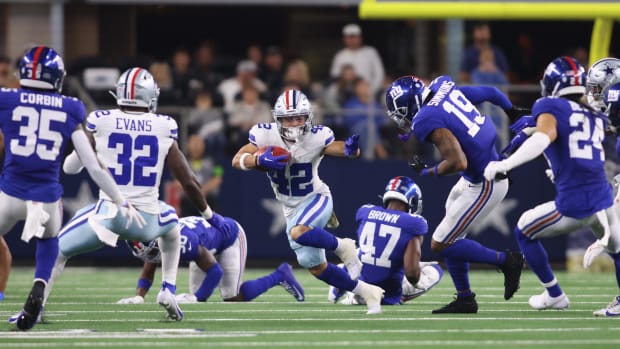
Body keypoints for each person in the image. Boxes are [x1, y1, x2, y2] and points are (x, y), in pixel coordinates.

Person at [34, 67, 217, 323]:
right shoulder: (165, 125)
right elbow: (188, 181)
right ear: (148, 96)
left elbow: (70, 168)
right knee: (172, 227)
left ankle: (37, 305)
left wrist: (89, 150)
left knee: (57, 251)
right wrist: (208, 214)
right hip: (148, 221)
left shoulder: (101, 119)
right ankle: (168, 289)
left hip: (108, 216)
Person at [0, 46, 143, 330]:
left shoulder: (6, 98)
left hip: (9, 194)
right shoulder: (70, 107)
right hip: (46, 200)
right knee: (49, 241)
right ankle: (40, 284)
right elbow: (92, 165)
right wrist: (120, 199)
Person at [483, 56, 620, 312]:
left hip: (577, 203)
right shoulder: (595, 116)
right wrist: (559, 171)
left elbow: (544, 139)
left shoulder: (550, 105)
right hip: (602, 197)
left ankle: (554, 294)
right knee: (618, 248)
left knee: (524, 230)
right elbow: (579, 153)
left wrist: (505, 164)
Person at [232, 89, 386, 314]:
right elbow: (237, 160)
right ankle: (367, 291)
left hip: (317, 198)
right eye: (288, 118)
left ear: (308, 117)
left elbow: (342, 148)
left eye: (299, 117)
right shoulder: (265, 135)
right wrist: (256, 159)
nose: (294, 123)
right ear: (278, 118)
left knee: (298, 232)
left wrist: (351, 150)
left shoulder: (317, 136)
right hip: (290, 208)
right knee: (316, 268)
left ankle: (345, 246)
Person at [384, 75, 528, 313]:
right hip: (481, 174)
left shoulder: (425, 119)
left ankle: (508, 261)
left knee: (440, 243)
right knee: (452, 238)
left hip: (486, 182)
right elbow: (491, 91)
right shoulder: (443, 86)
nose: (402, 119)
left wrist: (429, 171)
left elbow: (457, 161)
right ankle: (465, 299)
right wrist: (512, 111)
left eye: (401, 112)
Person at [117, 214, 305, 304]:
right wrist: (138, 297)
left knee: (231, 297)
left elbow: (216, 271)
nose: (150, 258)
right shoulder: (160, 239)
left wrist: (197, 298)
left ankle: (280, 275)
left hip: (229, 238)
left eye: (151, 252)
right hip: (205, 243)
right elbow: (149, 268)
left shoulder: (183, 242)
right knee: (196, 298)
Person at [329, 176, 443, 306]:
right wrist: (417, 280)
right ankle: (399, 297)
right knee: (435, 269)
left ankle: (342, 276)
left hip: (359, 287)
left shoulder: (365, 211)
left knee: (361, 250)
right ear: (411, 199)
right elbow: (411, 274)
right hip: (385, 294)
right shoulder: (415, 223)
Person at [330, 23, 385, 96]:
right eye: (349, 37)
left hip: (369, 90)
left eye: (354, 37)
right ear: (344, 39)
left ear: (360, 38)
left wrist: (371, 90)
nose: (352, 40)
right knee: (332, 90)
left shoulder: (370, 52)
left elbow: (379, 74)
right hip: (346, 93)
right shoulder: (340, 55)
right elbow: (334, 75)